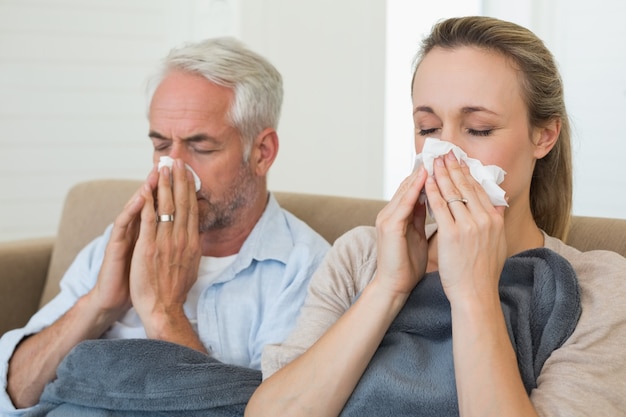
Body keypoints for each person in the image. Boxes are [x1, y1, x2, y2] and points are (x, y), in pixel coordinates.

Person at [245, 16, 626, 417]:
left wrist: (474, 295)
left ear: (543, 136)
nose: (445, 153)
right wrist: (388, 287)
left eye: (478, 129)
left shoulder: (598, 288)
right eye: (428, 128)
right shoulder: (361, 254)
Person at [0, 37, 330, 414]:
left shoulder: (305, 271)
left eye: (200, 147)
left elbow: (267, 412)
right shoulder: (124, 243)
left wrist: (164, 313)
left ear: (262, 152)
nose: (172, 170)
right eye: (160, 146)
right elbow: (14, 394)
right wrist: (97, 305)